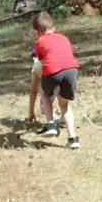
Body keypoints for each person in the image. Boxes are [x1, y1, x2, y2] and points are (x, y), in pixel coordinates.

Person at [31, 11, 81, 149]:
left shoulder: (39, 42)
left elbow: (42, 62)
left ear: (36, 32)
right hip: (72, 70)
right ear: (53, 28)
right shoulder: (64, 38)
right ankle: (73, 138)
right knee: (64, 104)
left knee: (46, 95)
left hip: (52, 70)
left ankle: (50, 124)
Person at [26, 49, 61, 130]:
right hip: (63, 73)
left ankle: (54, 118)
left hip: (50, 80)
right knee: (63, 102)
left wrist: (31, 112)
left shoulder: (36, 64)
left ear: (34, 57)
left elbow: (33, 91)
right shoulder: (53, 57)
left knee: (44, 106)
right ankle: (64, 120)